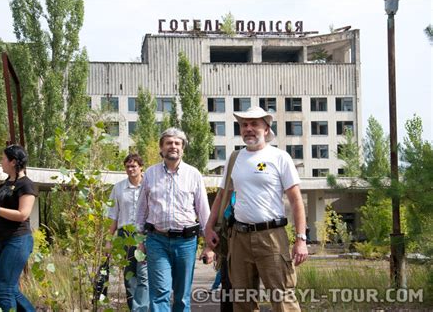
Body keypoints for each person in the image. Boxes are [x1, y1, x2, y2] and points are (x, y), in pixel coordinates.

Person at [204, 106, 309, 312]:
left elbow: (296, 201)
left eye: (254, 124)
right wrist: (208, 228)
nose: (248, 129)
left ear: (267, 129)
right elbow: (221, 196)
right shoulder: (235, 158)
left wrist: (301, 239)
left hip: (271, 237)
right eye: (244, 125)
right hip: (239, 239)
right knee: (242, 301)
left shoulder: (280, 157)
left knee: (282, 299)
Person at [136, 127, 214, 311]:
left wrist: (209, 245)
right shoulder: (150, 174)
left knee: (182, 296)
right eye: (169, 143)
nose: (173, 146)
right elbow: (141, 211)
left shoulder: (193, 174)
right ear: (161, 148)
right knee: (160, 293)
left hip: (186, 242)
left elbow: (204, 211)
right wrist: (140, 241)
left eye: (177, 143)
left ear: (183, 148)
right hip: (157, 241)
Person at [0, 144, 37, 312]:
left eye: (3, 158)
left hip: (17, 240)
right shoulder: (5, 184)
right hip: (0, 240)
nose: (0, 162)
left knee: (4, 289)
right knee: (10, 288)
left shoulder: (26, 185)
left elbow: (23, 214)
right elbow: (1, 217)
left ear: (12, 162)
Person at [106, 153, 149, 311]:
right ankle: (134, 308)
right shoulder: (118, 188)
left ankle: (143, 309)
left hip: (145, 234)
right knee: (129, 276)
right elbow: (113, 216)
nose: (130, 169)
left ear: (141, 167)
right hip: (125, 235)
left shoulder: (148, 185)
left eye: (134, 166)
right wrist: (109, 240)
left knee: (144, 275)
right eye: (128, 166)